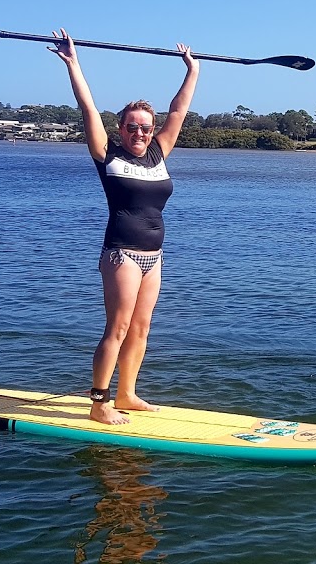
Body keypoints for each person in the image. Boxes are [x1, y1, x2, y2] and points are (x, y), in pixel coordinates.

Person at [50, 28, 199, 424]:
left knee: (141, 328)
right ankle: (100, 403)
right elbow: (87, 108)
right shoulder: (107, 155)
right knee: (116, 328)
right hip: (122, 254)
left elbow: (179, 111)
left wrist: (192, 72)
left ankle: (128, 393)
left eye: (145, 127)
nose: (140, 132)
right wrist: (74, 64)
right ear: (121, 129)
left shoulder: (159, 152)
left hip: (155, 256)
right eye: (132, 126)